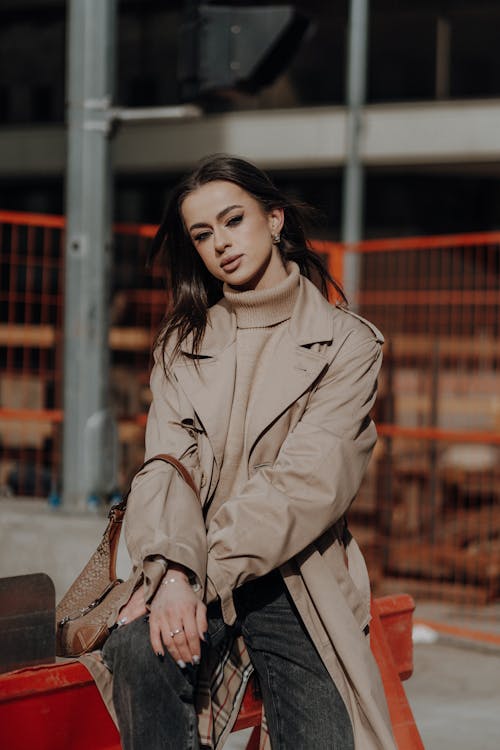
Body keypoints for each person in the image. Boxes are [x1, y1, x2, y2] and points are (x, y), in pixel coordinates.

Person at [82, 154, 397, 750]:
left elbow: (305, 486)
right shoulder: (182, 344)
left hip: (294, 576)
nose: (221, 243)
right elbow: (165, 469)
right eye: (203, 234)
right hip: (188, 557)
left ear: (274, 219)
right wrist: (172, 570)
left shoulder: (347, 344)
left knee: (322, 734)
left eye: (233, 220)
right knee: (136, 649)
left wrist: (199, 577)